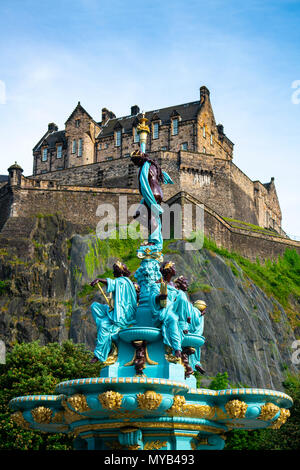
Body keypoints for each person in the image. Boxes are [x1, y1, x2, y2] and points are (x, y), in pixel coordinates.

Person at [89, 261, 137, 363]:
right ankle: (106, 321)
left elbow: (114, 283)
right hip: (114, 311)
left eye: (114, 271)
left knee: (103, 325)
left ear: (120, 272)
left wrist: (99, 280)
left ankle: (99, 354)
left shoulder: (124, 281)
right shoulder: (122, 282)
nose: (113, 273)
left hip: (123, 316)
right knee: (95, 307)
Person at [131, 150, 173, 251]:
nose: (134, 164)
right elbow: (161, 175)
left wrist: (147, 195)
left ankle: (154, 239)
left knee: (151, 216)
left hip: (152, 193)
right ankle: (156, 232)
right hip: (157, 193)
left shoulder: (145, 166)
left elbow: (144, 181)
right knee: (139, 214)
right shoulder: (153, 165)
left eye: (135, 161)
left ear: (139, 159)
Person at [174, 276, 207, 375]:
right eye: (185, 283)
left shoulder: (182, 295)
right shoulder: (180, 295)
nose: (187, 285)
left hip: (187, 320)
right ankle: (195, 363)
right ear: (180, 284)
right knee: (195, 338)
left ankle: (194, 363)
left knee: (194, 339)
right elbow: (180, 310)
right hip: (182, 324)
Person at [150, 261, 182, 358]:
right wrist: (160, 297)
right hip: (164, 310)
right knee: (172, 319)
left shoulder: (174, 286)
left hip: (174, 308)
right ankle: (177, 349)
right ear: (168, 270)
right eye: (173, 267)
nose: (175, 270)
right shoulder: (157, 284)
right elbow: (152, 298)